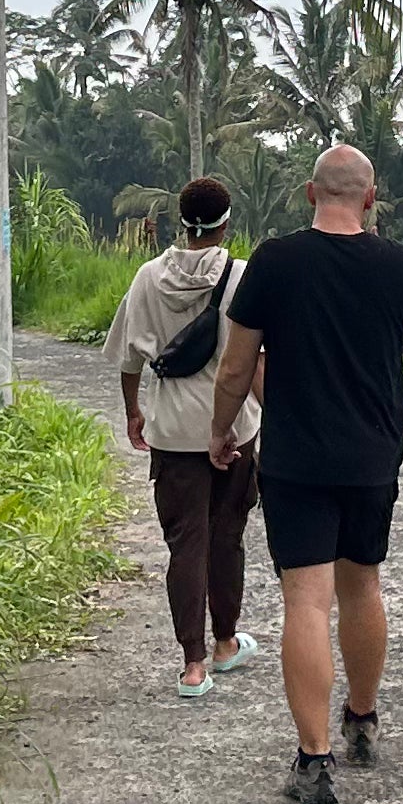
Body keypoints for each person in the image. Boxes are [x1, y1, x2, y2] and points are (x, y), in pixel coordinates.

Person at [209, 144, 403, 804]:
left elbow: (234, 365)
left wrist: (221, 431)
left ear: (311, 193)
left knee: (306, 599)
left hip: (296, 457)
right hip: (372, 456)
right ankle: (361, 721)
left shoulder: (276, 261)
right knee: (362, 584)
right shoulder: (399, 263)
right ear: (370, 198)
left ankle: (313, 762)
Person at [101, 175, 264, 697]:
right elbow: (258, 359)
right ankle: (224, 644)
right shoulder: (243, 277)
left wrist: (134, 412)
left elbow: (127, 358)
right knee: (227, 537)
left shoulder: (147, 277)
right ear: (227, 221)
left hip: (173, 433)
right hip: (234, 426)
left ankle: (192, 666)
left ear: (179, 220)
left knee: (185, 545)